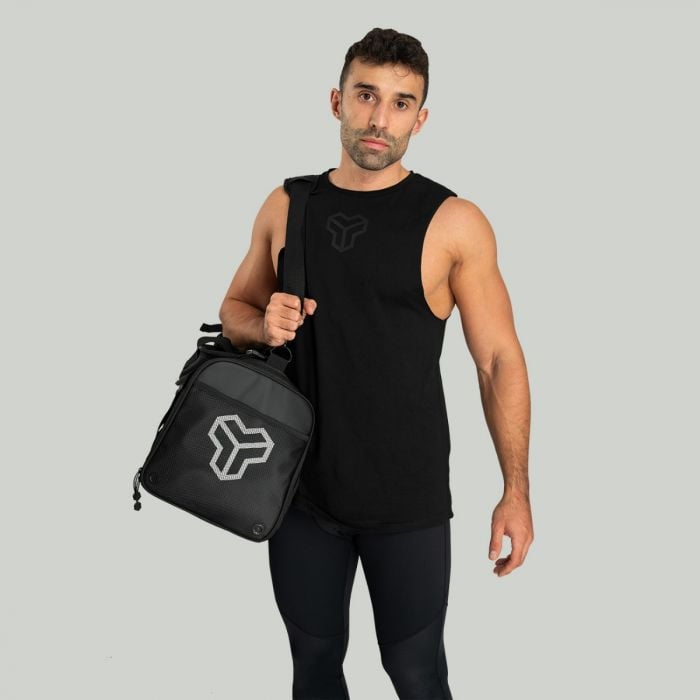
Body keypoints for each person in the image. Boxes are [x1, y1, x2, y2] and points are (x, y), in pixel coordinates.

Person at [219, 26, 534, 700]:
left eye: (399, 102)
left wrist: (516, 491)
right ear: (337, 101)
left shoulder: (454, 221)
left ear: (421, 118)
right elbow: (234, 312)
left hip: (407, 498)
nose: (378, 118)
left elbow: (498, 360)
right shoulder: (288, 204)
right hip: (297, 491)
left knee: (416, 673)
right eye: (365, 95)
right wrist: (262, 321)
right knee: (314, 667)